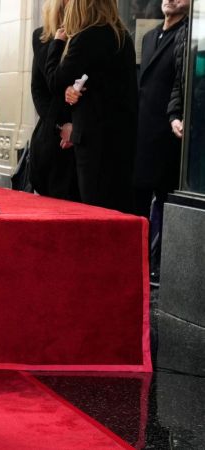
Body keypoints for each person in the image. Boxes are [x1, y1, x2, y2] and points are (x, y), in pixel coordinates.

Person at [46, 0, 138, 213]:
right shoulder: (122, 37)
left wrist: (57, 43)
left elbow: (54, 80)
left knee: (96, 211)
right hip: (121, 140)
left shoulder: (87, 36)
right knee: (119, 209)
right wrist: (73, 89)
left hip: (94, 142)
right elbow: (103, 83)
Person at [133, 0, 189, 284]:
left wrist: (175, 116)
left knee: (166, 201)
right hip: (144, 132)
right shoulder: (148, 37)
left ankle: (159, 264)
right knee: (139, 199)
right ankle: (139, 260)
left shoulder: (189, 34)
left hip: (170, 133)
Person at [29, 0, 79, 201]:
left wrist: (75, 125)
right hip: (51, 132)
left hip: (81, 131)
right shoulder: (41, 37)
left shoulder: (86, 36)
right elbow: (38, 89)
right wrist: (61, 125)